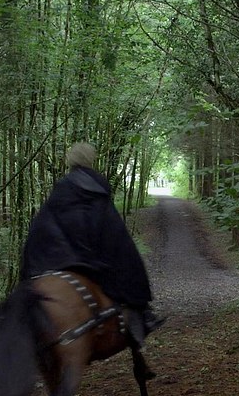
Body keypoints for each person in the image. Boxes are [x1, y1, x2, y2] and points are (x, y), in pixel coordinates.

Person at [20, 142, 165, 339]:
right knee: (129, 257)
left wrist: (31, 268)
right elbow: (113, 233)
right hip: (88, 259)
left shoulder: (60, 190)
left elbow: (42, 227)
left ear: (70, 161)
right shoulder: (97, 190)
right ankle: (142, 314)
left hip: (55, 259)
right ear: (91, 160)